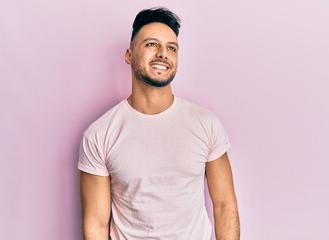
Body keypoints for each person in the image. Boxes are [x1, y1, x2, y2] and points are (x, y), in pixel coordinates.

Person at [78, 7, 240, 240]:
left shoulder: (206, 124)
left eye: (171, 48)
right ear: (129, 54)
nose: (163, 54)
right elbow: (96, 223)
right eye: (152, 44)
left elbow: (225, 205)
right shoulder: (99, 134)